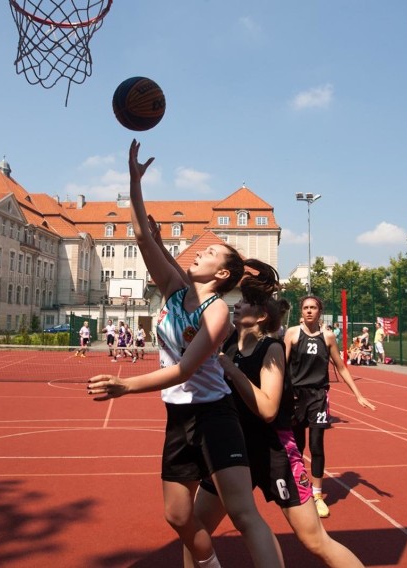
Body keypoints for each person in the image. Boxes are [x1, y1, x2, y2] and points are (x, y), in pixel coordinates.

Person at [87, 140, 284, 568]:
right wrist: (135, 183)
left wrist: (125, 385)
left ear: (224, 273)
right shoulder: (175, 292)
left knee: (244, 513)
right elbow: (141, 236)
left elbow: (184, 369)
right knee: (177, 515)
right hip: (178, 417)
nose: (200, 252)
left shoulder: (219, 316)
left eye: (210, 252)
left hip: (215, 416)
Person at [186, 262, 364, 568]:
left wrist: (230, 369)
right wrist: (154, 242)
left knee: (315, 540)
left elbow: (268, 409)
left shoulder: (271, 350)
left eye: (245, 303)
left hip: (274, 452)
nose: (237, 305)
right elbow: (190, 291)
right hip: (232, 451)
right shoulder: (227, 340)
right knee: (194, 529)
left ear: (262, 315)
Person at [285, 296, 376, 518]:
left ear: (320, 311)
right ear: (301, 311)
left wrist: (358, 394)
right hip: (296, 397)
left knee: (316, 445)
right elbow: (281, 365)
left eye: (313, 308)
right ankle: (298, 487)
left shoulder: (327, 337)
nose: (309, 311)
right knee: (296, 446)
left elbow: (341, 367)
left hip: (318, 396)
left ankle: (317, 495)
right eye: (305, 307)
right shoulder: (292, 334)